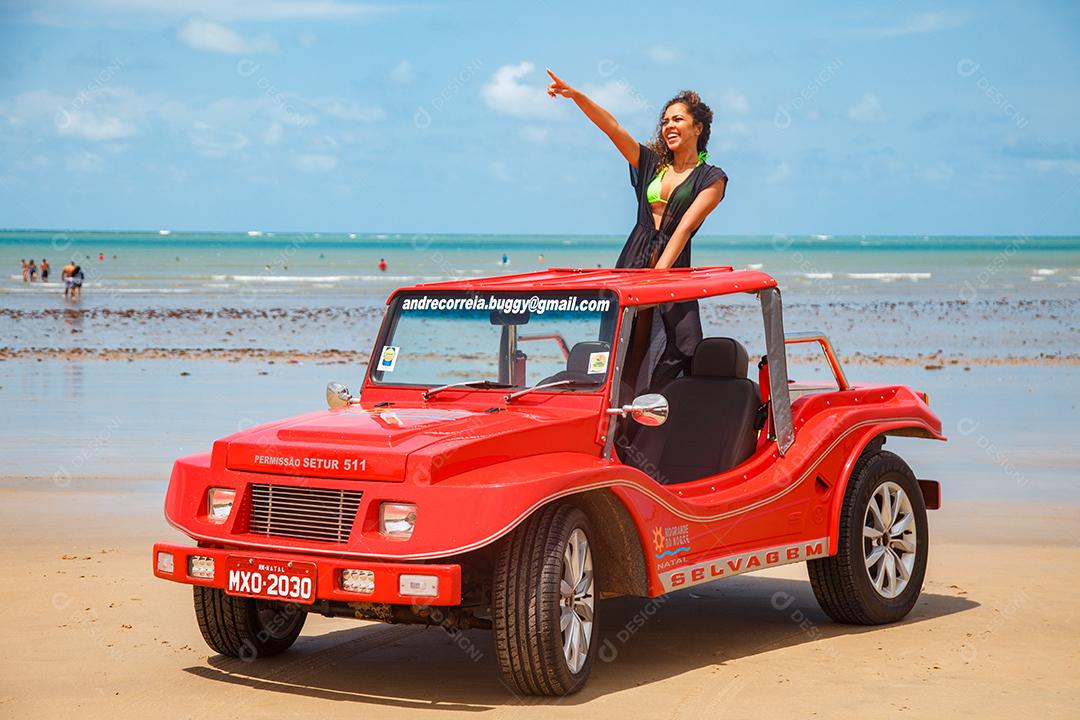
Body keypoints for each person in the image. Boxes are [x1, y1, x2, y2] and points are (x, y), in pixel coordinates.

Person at [547, 70, 728, 394]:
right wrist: (576, 96)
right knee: (627, 342)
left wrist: (658, 279)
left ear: (698, 128)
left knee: (683, 344)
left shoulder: (712, 178)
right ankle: (620, 411)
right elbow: (612, 128)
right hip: (634, 259)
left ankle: (659, 405)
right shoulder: (652, 164)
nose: (669, 126)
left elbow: (684, 228)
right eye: (665, 121)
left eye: (678, 119)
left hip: (671, 268)